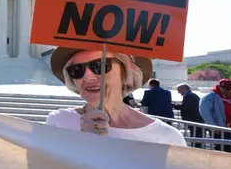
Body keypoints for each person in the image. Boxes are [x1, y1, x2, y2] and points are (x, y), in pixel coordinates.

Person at [45, 47, 186, 146]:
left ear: (126, 70)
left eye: (100, 65)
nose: (87, 77)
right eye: (76, 70)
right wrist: (83, 144)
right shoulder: (59, 122)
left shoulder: (167, 138)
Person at [200, 79, 231, 153]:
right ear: (222, 88)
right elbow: (205, 113)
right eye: (230, 90)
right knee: (226, 151)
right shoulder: (210, 97)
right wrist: (214, 127)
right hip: (224, 131)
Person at [172, 83, 204, 147]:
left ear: (184, 89)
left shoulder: (189, 96)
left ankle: (196, 150)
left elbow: (184, 106)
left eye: (179, 90)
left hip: (194, 120)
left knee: (196, 137)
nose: (178, 92)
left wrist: (172, 105)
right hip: (195, 120)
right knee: (196, 136)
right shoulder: (191, 95)